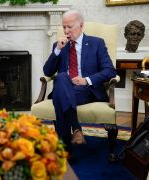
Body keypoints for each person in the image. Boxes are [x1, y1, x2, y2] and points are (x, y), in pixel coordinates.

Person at [43, 10, 116, 158]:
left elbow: (110, 70)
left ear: (81, 25)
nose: (66, 31)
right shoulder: (59, 46)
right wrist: (57, 50)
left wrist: (86, 80)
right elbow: (48, 71)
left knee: (59, 96)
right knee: (62, 77)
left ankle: (66, 149)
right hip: (66, 88)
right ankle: (76, 130)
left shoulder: (97, 43)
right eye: (64, 27)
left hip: (87, 90)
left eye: (69, 27)